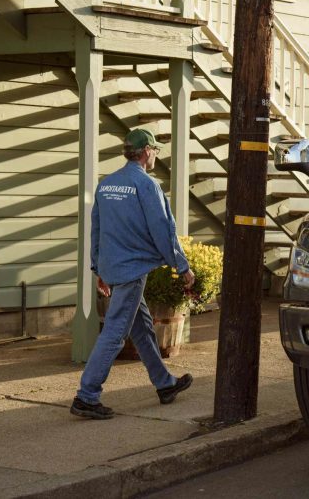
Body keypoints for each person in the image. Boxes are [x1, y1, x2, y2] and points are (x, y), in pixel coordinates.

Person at [71, 128, 195, 420]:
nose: (155, 155)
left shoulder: (106, 185)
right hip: (132, 269)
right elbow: (163, 229)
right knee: (115, 333)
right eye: (155, 150)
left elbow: (96, 230)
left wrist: (97, 267)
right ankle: (87, 396)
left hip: (113, 267)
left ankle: (165, 384)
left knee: (142, 328)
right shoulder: (147, 185)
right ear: (145, 152)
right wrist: (182, 266)